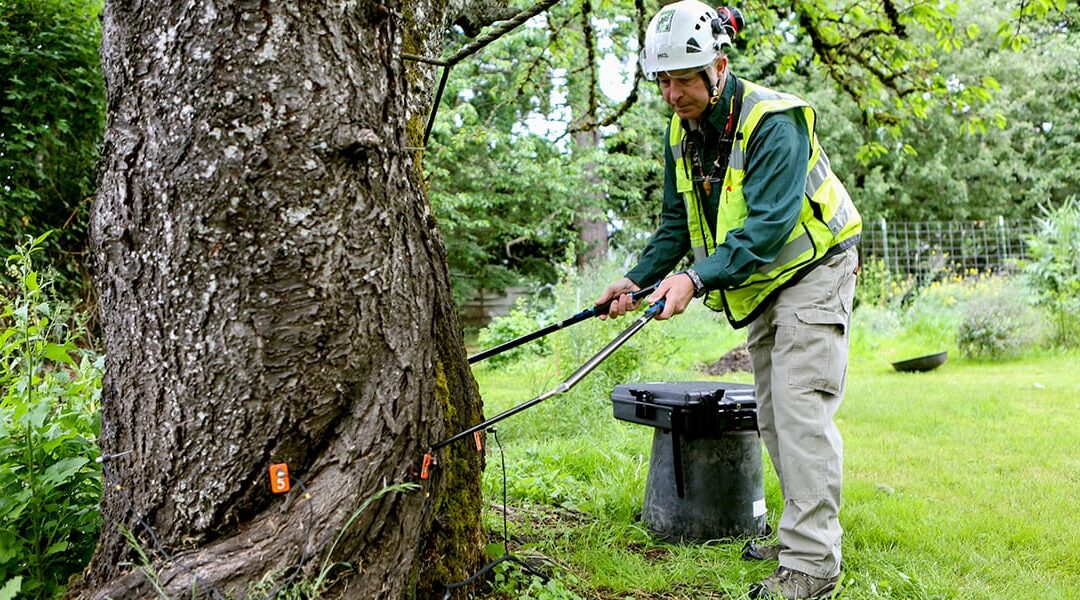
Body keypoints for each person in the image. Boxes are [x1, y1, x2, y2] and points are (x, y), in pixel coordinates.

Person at [595, 2, 862, 598]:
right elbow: (676, 226)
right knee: (770, 416)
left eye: (683, 78)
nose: (671, 93)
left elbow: (767, 228)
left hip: (815, 269)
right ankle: (798, 537)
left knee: (799, 415)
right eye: (662, 80)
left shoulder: (775, 121)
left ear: (717, 67)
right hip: (762, 280)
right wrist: (637, 280)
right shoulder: (681, 132)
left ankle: (813, 564)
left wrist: (692, 281)